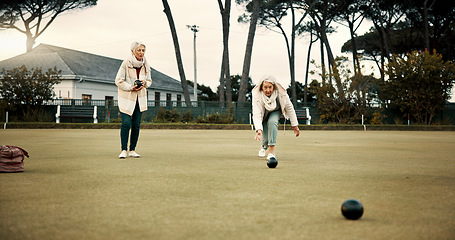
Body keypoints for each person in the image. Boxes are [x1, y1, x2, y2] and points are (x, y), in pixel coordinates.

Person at [115, 42, 152, 159]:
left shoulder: (146, 65)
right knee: (126, 123)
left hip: (139, 100)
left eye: (143, 50)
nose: (141, 53)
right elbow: (118, 81)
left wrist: (145, 83)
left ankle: (132, 150)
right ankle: (123, 150)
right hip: (126, 99)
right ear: (133, 51)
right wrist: (130, 87)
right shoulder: (126, 63)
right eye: (139, 50)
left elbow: (150, 81)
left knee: (136, 125)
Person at [252, 75, 300, 160]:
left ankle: (271, 152)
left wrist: (295, 125)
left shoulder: (281, 93)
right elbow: (256, 114)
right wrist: (259, 130)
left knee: (272, 122)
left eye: (270, 87)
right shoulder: (257, 95)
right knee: (265, 139)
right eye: (265, 87)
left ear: (273, 86)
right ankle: (264, 146)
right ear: (261, 87)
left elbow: (289, 108)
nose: (268, 90)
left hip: (275, 111)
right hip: (263, 114)